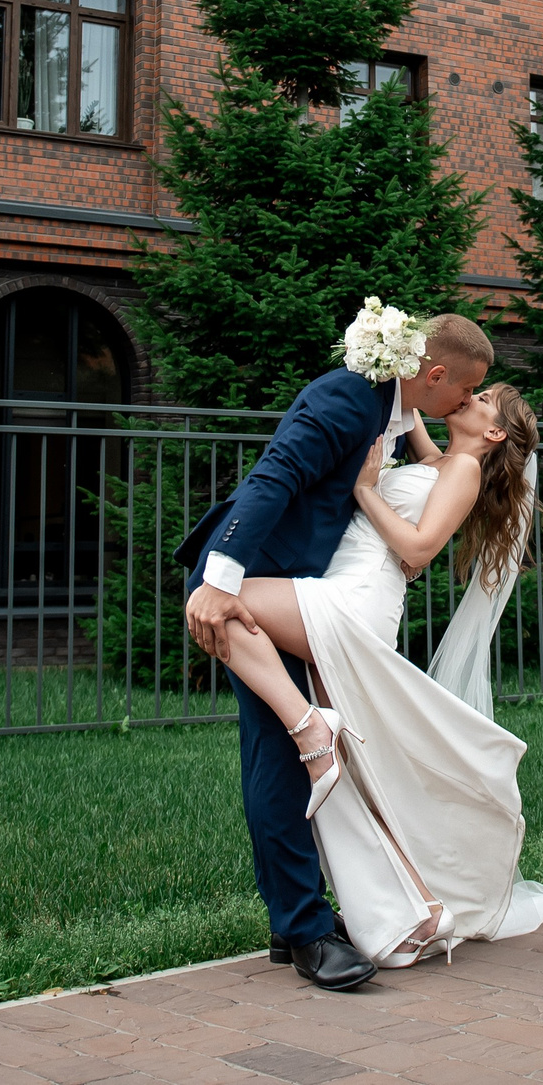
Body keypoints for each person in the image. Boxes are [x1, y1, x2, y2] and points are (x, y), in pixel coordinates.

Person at [226, 384, 543, 968]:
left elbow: (419, 550)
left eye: (484, 398)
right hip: (337, 588)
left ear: (495, 433)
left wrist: (366, 488)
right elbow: (410, 400)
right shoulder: (439, 460)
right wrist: (391, 352)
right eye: (471, 388)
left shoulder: (465, 467)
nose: (471, 396)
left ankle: (310, 730)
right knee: (360, 787)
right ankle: (397, 904)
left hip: (359, 599)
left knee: (223, 600)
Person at [178, 312, 491, 992]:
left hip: (298, 592)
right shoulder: (346, 398)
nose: (460, 407)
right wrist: (218, 579)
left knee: (283, 758)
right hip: (246, 585)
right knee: (279, 754)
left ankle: (294, 921)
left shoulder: (391, 407)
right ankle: (304, 927)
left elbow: (425, 455)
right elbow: (275, 475)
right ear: (432, 376)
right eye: (461, 394)